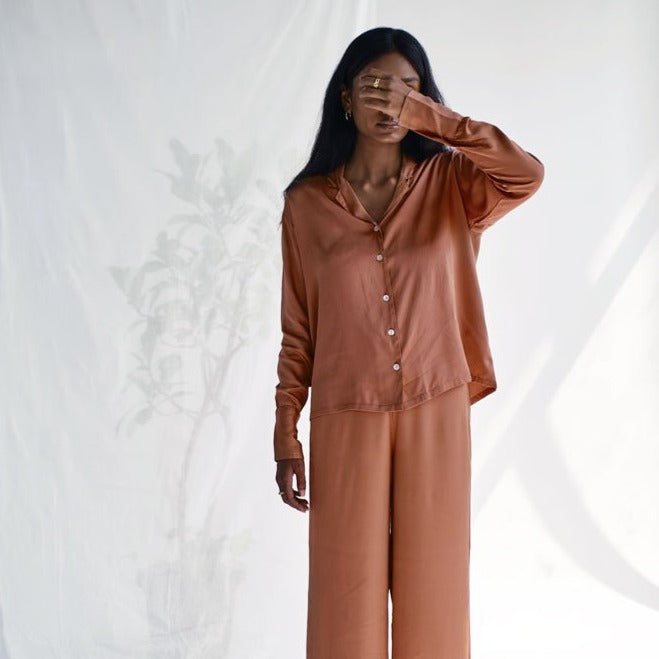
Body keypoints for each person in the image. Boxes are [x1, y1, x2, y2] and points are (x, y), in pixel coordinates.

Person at [272, 26, 544, 659]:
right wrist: (286, 429)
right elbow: (298, 329)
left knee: (435, 597)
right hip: (346, 416)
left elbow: (526, 174)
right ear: (346, 98)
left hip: (435, 404)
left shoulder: (452, 183)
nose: (390, 100)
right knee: (345, 603)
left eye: (408, 88)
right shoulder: (305, 205)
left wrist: (432, 119)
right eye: (375, 86)